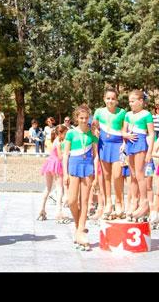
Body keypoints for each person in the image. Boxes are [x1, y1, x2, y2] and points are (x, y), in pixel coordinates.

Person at [63, 104, 98, 251]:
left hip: (88, 167)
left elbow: (96, 156)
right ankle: (78, 225)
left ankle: (82, 229)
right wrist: (65, 173)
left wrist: (96, 175)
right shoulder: (70, 133)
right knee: (71, 200)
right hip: (73, 166)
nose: (84, 120)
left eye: (86, 118)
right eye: (81, 118)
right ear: (76, 118)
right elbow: (65, 154)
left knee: (84, 201)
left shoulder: (92, 135)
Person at [92, 87, 127, 220]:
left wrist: (124, 143)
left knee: (117, 175)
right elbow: (94, 126)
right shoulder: (99, 111)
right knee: (106, 176)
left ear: (117, 100)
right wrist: (95, 130)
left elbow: (125, 128)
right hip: (104, 145)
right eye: (108, 98)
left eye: (113, 98)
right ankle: (108, 203)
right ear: (104, 99)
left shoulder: (122, 112)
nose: (110, 101)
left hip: (118, 145)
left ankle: (119, 203)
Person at [122, 90, 154, 222]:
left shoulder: (146, 114)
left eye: (133, 101)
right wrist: (125, 135)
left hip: (140, 142)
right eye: (129, 101)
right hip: (130, 143)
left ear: (141, 101)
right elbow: (123, 131)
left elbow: (151, 134)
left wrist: (149, 151)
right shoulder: (128, 114)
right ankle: (134, 201)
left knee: (140, 174)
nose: (131, 103)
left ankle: (144, 202)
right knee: (132, 175)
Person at [37, 125, 70, 223]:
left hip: (49, 163)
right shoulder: (58, 142)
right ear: (61, 133)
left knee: (48, 188)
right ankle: (58, 211)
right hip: (56, 164)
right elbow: (60, 157)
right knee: (60, 189)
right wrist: (67, 153)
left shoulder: (55, 141)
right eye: (65, 133)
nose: (66, 135)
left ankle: (42, 209)